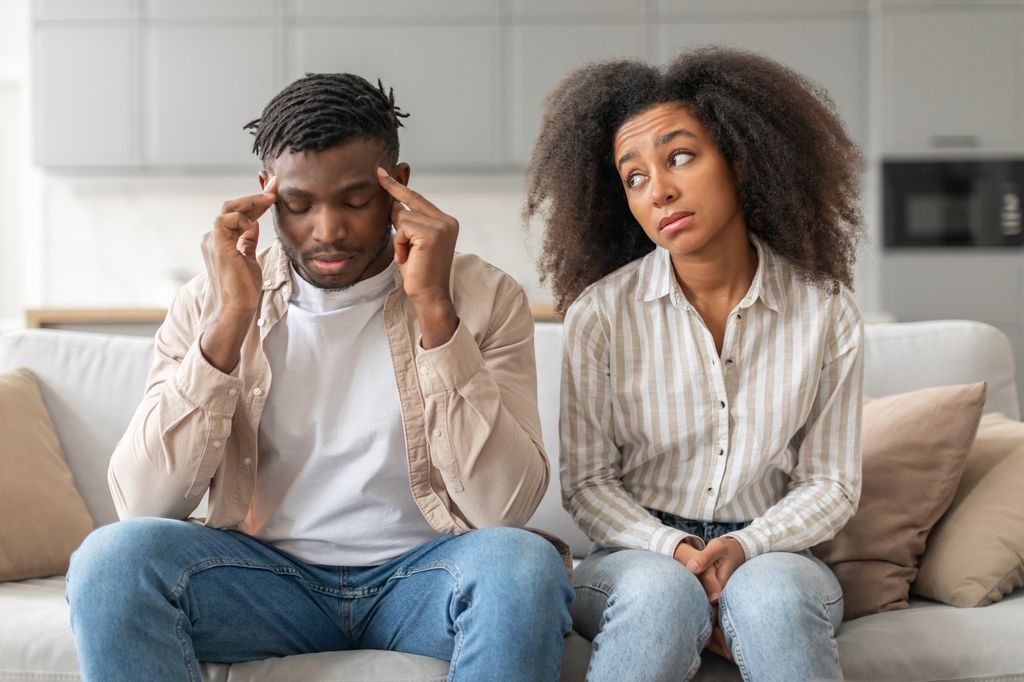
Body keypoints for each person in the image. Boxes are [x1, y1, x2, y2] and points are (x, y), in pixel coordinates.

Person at [66, 73, 572, 682]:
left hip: (423, 579)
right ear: (265, 193)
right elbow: (142, 504)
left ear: (398, 188)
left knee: (523, 563)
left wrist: (436, 312)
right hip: (264, 584)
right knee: (111, 562)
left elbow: (504, 509)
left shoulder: (485, 297)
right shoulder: (211, 301)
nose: (327, 230)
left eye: (356, 201)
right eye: (299, 205)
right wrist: (230, 320)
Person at [524, 47, 865, 682]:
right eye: (635, 177)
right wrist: (675, 550)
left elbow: (831, 483)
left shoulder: (825, 310)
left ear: (741, 158)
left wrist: (744, 546)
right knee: (661, 596)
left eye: (681, 156)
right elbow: (588, 485)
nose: (662, 191)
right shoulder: (599, 314)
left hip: (775, 547)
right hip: (634, 550)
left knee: (774, 598)